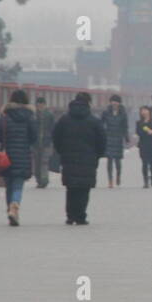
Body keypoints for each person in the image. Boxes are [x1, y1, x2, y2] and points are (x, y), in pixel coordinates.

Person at [51, 91, 106, 224]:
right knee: (84, 189)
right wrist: (97, 155)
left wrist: (62, 151)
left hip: (68, 158)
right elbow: (102, 140)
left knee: (71, 188)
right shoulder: (94, 121)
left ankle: (70, 215)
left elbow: (56, 137)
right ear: (89, 103)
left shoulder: (64, 120)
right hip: (88, 159)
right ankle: (81, 216)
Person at [0, 88, 38, 226]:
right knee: (18, 185)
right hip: (23, 154)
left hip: (7, 155)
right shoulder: (30, 116)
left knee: (9, 185)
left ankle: (10, 210)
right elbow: (34, 136)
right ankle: (15, 205)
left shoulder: (5, 116)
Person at [101, 95, 130, 186]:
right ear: (110, 102)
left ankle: (118, 176)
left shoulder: (123, 113)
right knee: (109, 159)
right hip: (108, 137)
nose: (114, 103)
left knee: (118, 160)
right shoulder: (106, 112)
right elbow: (101, 124)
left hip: (118, 137)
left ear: (119, 103)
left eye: (116, 101)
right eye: (113, 101)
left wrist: (126, 138)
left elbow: (125, 127)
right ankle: (110, 180)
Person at [135, 106, 152, 187]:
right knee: (144, 163)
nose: (143, 112)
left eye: (145, 110)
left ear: (149, 111)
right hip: (143, 145)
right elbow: (138, 132)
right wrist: (147, 131)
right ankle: (145, 181)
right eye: (142, 110)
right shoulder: (139, 122)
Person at [33, 95, 54, 189]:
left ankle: (44, 180)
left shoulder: (50, 115)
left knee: (44, 162)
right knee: (37, 162)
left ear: (45, 105)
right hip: (36, 142)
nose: (40, 107)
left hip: (46, 142)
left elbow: (53, 128)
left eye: (42, 105)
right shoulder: (33, 115)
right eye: (38, 105)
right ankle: (39, 179)